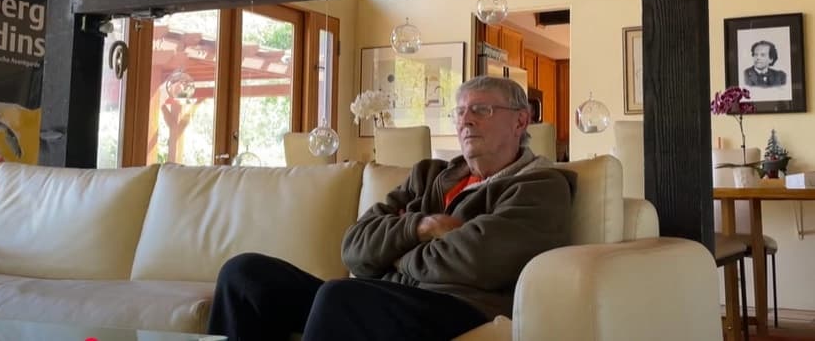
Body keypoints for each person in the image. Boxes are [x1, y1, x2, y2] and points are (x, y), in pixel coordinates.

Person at [207, 76, 576, 341]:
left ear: (521, 120)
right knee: (245, 274)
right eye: (460, 111)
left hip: (457, 307)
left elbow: (476, 261)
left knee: (342, 296)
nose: (466, 120)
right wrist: (421, 227)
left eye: (481, 109)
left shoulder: (540, 186)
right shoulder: (428, 175)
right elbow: (354, 248)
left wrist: (392, 256)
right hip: (383, 295)